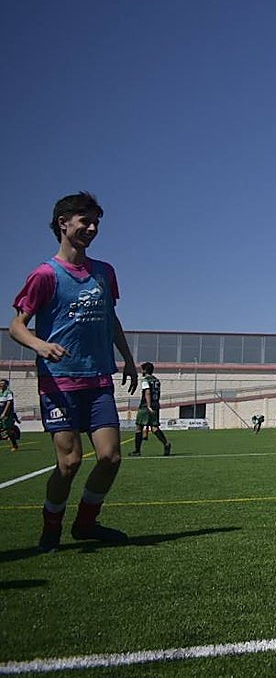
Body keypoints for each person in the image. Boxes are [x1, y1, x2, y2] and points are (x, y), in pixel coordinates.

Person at [9, 192, 138, 550]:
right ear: (63, 223)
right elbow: (17, 326)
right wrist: (40, 345)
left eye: (96, 222)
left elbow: (111, 318)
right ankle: (51, 527)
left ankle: (85, 524)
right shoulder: (45, 275)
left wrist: (127, 359)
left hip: (98, 378)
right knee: (69, 462)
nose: (92, 228)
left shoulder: (104, 272)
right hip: (59, 381)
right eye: (85, 221)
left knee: (110, 457)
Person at [131, 362, 171, 456]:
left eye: (142, 369)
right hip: (155, 405)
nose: (141, 371)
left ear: (145, 370)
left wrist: (148, 406)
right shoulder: (156, 380)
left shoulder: (146, 380)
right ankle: (166, 443)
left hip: (145, 406)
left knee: (139, 427)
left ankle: (137, 451)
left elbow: (147, 392)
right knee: (154, 427)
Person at [0, 379, 20, 451]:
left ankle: (14, 445)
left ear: (6, 385)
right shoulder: (0, 393)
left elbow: (8, 403)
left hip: (7, 414)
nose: (1, 385)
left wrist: (4, 413)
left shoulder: (8, 392)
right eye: (0, 383)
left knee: (8, 430)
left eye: (3, 384)